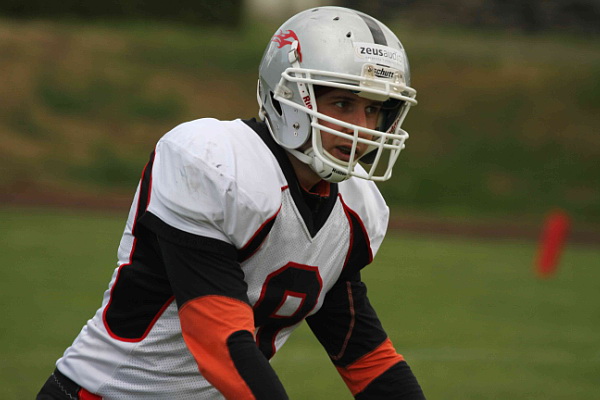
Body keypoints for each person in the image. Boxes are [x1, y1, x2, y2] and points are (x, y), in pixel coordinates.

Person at [37, 6, 424, 399]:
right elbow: (219, 339)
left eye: (373, 109)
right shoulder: (214, 163)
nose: (362, 126)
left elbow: (363, 353)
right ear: (290, 97)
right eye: (343, 104)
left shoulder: (356, 210)